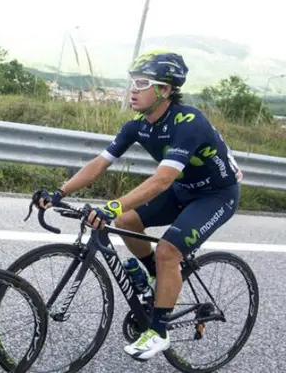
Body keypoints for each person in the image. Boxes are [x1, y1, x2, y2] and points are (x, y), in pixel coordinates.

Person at [38, 50, 243, 361]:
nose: (133, 89)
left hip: (216, 195)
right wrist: (59, 192)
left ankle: (159, 332)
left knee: (168, 250)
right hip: (182, 189)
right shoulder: (137, 126)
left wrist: (113, 206)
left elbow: (161, 180)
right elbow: (99, 164)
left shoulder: (189, 123)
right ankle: (155, 279)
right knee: (127, 222)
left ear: (165, 90)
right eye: (132, 81)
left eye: (143, 83)